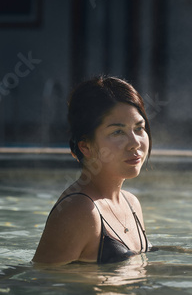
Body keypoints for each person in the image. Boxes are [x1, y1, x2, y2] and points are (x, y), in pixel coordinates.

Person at [32, 76, 152, 265]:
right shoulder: (80, 210)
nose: (135, 143)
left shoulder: (131, 203)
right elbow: (42, 282)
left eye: (139, 128)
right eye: (117, 132)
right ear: (85, 146)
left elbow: (139, 264)